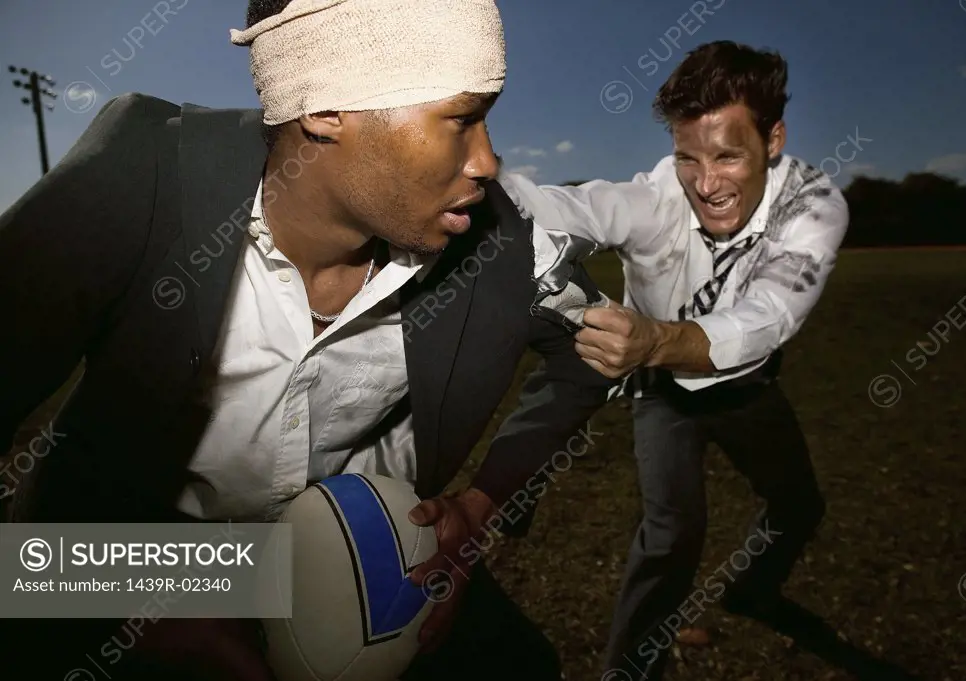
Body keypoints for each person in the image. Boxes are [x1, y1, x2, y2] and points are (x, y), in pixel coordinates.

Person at [0, 1, 615, 679]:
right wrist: (135, 601)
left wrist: (481, 502)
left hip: (351, 548)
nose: (488, 161)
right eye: (462, 117)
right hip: (111, 558)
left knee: (522, 665)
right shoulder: (139, 177)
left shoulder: (500, 241)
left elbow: (596, 350)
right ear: (324, 108)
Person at [499, 40, 850, 680]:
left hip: (748, 386)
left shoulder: (814, 203)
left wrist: (657, 338)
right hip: (663, 394)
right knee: (671, 537)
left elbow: (769, 316)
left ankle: (752, 589)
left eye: (727, 156)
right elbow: (579, 206)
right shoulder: (661, 195)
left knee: (798, 505)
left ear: (774, 139)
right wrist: (486, 182)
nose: (706, 183)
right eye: (687, 156)